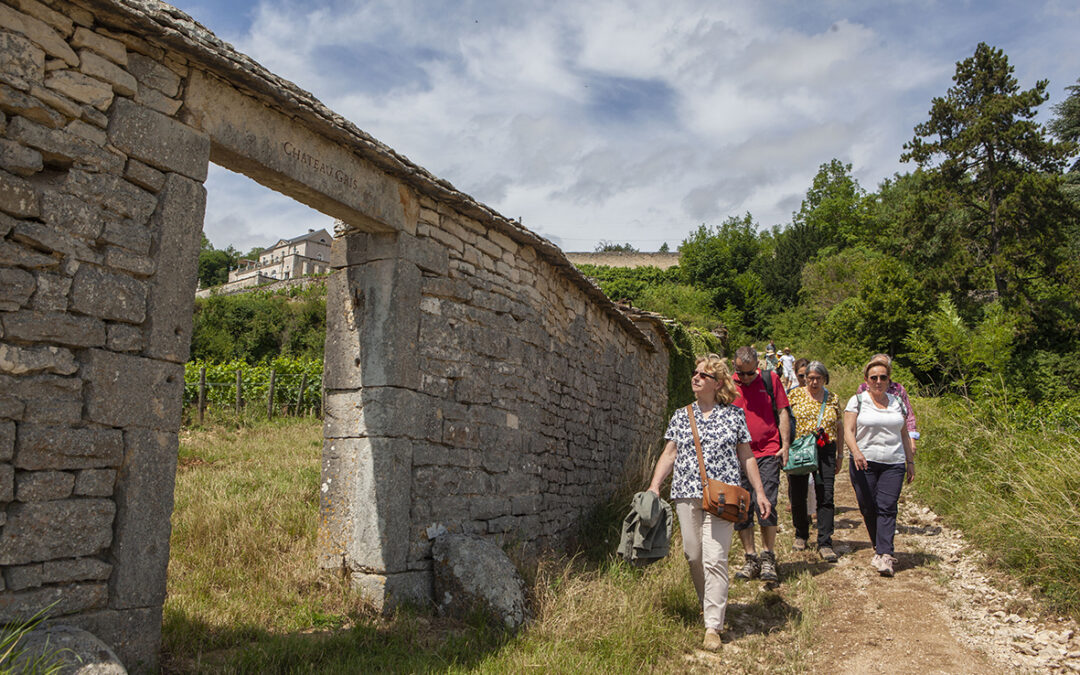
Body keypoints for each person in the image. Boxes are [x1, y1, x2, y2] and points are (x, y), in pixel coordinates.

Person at [648, 354, 772, 651]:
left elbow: (746, 456)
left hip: (723, 496)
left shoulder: (734, 415)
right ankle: (710, 603)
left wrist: (760, 492)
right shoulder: (681, 415)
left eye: (703, 375)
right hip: (686, 493)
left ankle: (713, 625)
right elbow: (669, 453)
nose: (696, 377)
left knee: (715, 558)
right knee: (693, 555)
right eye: (695, 373)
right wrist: (654, 486)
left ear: (717, 384)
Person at [844, 355, 915, 577]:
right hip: (864, 461)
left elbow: (904, 433)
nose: (878, 381)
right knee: (868, 506)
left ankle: (885, 554)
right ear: (866, 379)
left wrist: (910, 461)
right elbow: (848, 431)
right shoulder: (857, 400)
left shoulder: (897, 402)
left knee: (887, 505)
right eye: (873, 377)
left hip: (893, 462)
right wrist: (856, 452)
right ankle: (878, 544)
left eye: (883, 377)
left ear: (888, 379)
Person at [730, 346, 791, 584]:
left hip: (767, 451)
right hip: (736, 455)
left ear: (757, 367)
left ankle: (768, 556)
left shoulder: (770, 379)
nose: (744, 378)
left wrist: (785, 445)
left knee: (768, 503)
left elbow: (783, 412)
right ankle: (750, 557)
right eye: (740, 373)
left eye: (748, 373)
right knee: (741, 506)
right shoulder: (727, 383)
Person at [786, 361, 844, 561]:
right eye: (810, 377)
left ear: (824, 379)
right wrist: (785, 446)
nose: (813, 381)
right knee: (798, 493)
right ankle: (801, 534)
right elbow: (784, 421)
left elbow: (839, 426)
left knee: (826, 494)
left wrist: (840, 455)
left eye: (818, 378)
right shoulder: (794, 395)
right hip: (800, 448)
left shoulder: (833, 398)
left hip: (825, 449)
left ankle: (825, 541)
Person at [855, 353, 919, 451]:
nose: (878, 380)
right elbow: (856, 415)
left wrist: (912, 440)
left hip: (894, 441)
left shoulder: (898, 389)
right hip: (869, 440)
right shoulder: (863, 388)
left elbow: (908, 415)